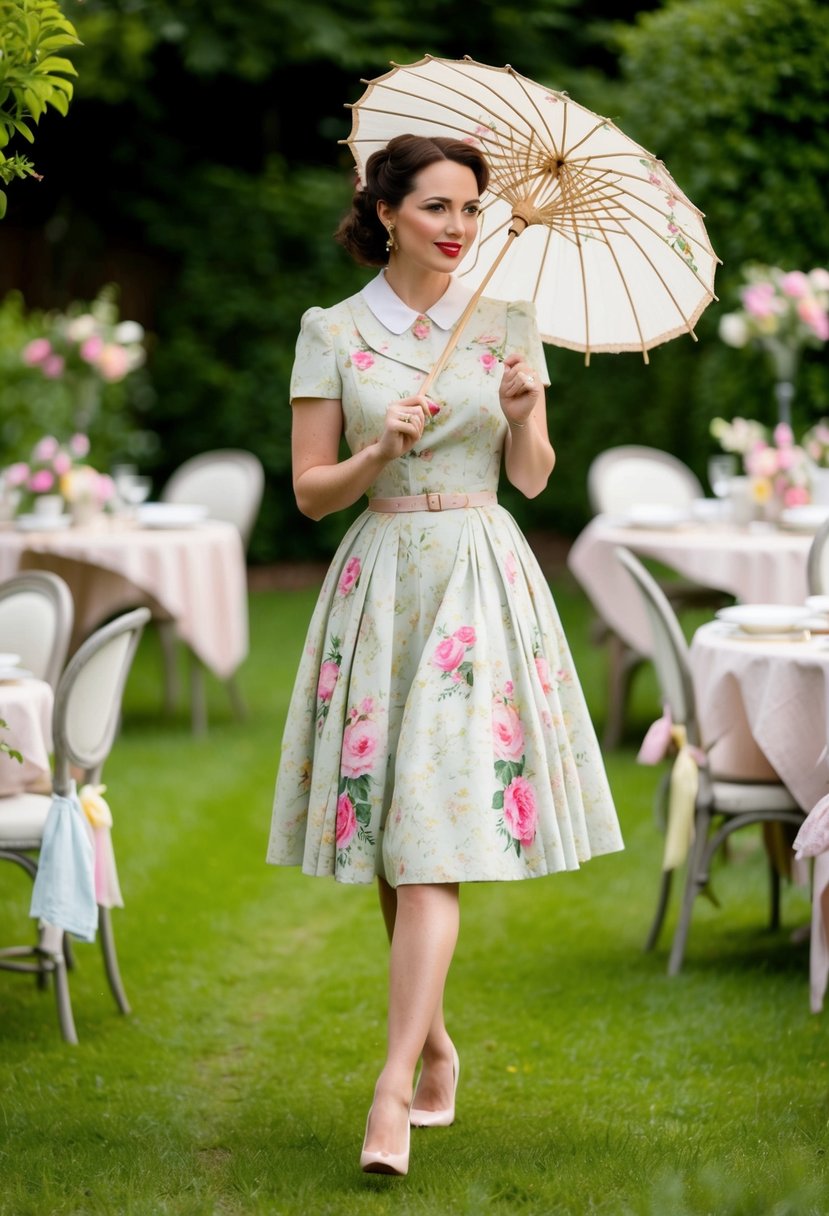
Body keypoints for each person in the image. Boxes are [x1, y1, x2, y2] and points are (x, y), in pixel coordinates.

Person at [267, 132, 623, 1176]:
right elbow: (308, 491)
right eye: (437, 207)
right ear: (384, 212)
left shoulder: (508, 322)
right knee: (391, 831)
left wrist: (522, 416)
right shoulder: (331, 331)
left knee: (427, 829)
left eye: (471, 208)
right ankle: (434, 1049)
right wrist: (379, 448)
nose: (461, 227)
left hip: (477, 576)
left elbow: (533, 476)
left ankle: (387, 1091)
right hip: (382, 578)